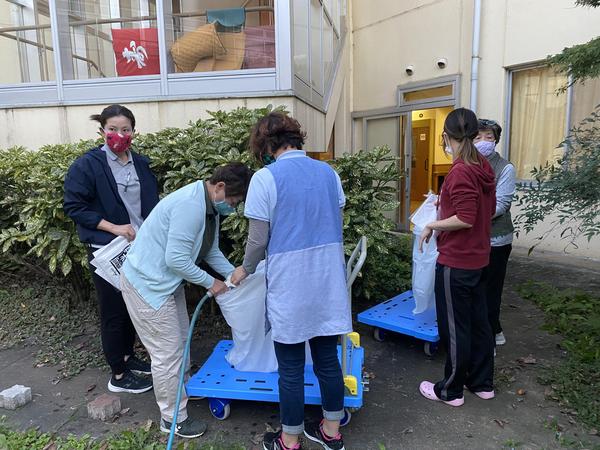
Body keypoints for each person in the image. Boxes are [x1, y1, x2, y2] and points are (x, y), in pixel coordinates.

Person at [230, 112, 349, 450]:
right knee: (328, 360)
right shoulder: (329, 173)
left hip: (291, 282)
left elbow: (257, 240)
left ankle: (290, 440)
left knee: (292, 367)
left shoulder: (265, 179)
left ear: (266, 146)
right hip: (328, 279)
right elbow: (335, 221)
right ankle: (331, 432)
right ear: (297, 139)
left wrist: (245, 269)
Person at [119, 162, 253, 439]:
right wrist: (211, 283)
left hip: (165, 282)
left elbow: (210, 250)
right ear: (220, 187)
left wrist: (233, 275)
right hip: (146, 285)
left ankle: (183, 389)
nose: (234, 206)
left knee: (181, 340)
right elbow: (176, 259)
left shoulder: (210, 209)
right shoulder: (191, 206)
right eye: (234, 200)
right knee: (167, 354)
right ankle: (172, 419)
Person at [64, 104, 159, 394]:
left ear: (134, 132)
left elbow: (150, 204)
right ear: (102, 131)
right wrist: (114, 227)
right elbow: (74, 207)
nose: (119, 135)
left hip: (137, 247)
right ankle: (118, 374)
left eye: (125, 129)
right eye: (113, 129)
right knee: (113, 310)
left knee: (131, 306)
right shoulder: (88, 165)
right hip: (107, 250)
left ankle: (128, 357)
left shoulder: (140, 163)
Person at [418, 108, 496, 406]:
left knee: (455, 328)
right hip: (479, 257)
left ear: (447, 136)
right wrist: (444, 201)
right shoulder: (482, 166)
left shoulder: (461, 170)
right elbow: (485, 210)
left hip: (457, 261)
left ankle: (450, 391)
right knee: (479, 324)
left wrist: (433, 224)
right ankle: (482, 383)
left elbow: (465, 217)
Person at [474, 119, 516, 348]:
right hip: (472, 237)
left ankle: (489, 339)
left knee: (491, 289)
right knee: (475, 288)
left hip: (496, 239)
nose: (483, 141)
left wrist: (466, 216)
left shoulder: (505, 168)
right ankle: (493, 329)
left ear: (496, 140)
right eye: (477, 137)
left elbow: (501, 204)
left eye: (488, 137)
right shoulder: (468, 164)